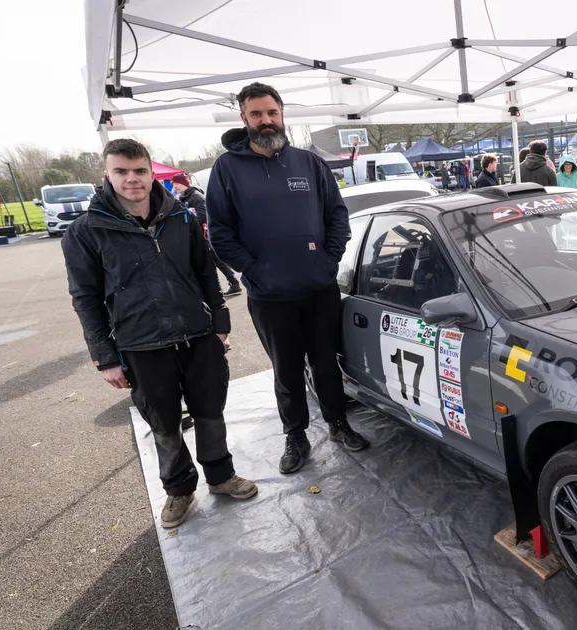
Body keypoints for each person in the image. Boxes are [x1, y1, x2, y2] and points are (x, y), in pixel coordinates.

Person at [62, 139, 256, 529]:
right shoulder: (85, 231)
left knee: (210, 412)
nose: (131, 179)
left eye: (139, 171)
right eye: (121, 171)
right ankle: (179, 489)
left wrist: (220, 325)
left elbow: (205, 273)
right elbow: (85, 299)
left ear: (152, 174)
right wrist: (105, 358)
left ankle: (220, 476)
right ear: (107, 175)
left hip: (197, 336)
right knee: (164, 424)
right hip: (141, 345)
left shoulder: (181, 218)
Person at [206, 82, 369, 475]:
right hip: (270, 296)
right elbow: (219, 232)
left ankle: (338, 422)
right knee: (287, 370)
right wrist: (254, 269)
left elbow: (337, 215)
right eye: (256, 114)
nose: (266, 120)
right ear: (244, 118)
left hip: (319, 289)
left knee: (326, 364)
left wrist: (329, 260)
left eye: (272, 112)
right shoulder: (227, 168)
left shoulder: (309, 163)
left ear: (282, 115)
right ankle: (295, 435)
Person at [171, 172, 242, 296]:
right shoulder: (183, 198)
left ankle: (228, 285)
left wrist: (189, 226)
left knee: (212, 260)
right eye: (173, 184)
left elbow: (204, 215)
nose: (175, 186)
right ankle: (229, 284)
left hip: (203, 234)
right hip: (195, 235)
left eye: (177, 183)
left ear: (185, 183)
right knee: (212, 261)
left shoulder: (196, 196)